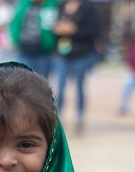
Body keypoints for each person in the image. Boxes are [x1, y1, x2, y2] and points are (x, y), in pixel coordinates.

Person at [52, 0, 102, 132]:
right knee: (60, 86)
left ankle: (79, 117)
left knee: (79, 85)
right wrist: (58, 28)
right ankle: (58, 117)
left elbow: (94, 31)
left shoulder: (89, 8)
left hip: (81, 54)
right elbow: (53, 24)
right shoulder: (61, 6)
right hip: (62, 53)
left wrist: (74, 30)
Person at [10, 0, 58, 78]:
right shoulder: (23, 4)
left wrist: (51, 44)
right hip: (24, 50)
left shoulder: (52, 5)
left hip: (43, 52)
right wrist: (15, 40)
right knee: (24, 80)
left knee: (41, 82)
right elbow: (15, 23)